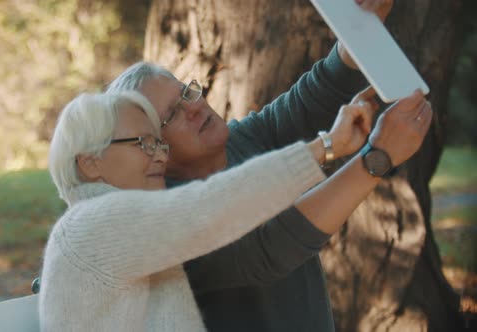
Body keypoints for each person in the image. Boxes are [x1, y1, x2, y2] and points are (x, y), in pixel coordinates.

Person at [105, 1, 432, 330]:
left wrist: (358, 32)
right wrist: (376, 159)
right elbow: (267, 246)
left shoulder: (240, 141)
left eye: (186, 93)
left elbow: (311, 100)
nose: (193, 107)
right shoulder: (166, 222)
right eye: (171, 115)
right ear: (150, 149)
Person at [38, 88, 385, 331]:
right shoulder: (89, 228)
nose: (160, 154)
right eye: (143, 144)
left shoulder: (131, 230)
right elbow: (211, 208)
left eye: (158, 142)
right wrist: (325, 146)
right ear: (90, 162)